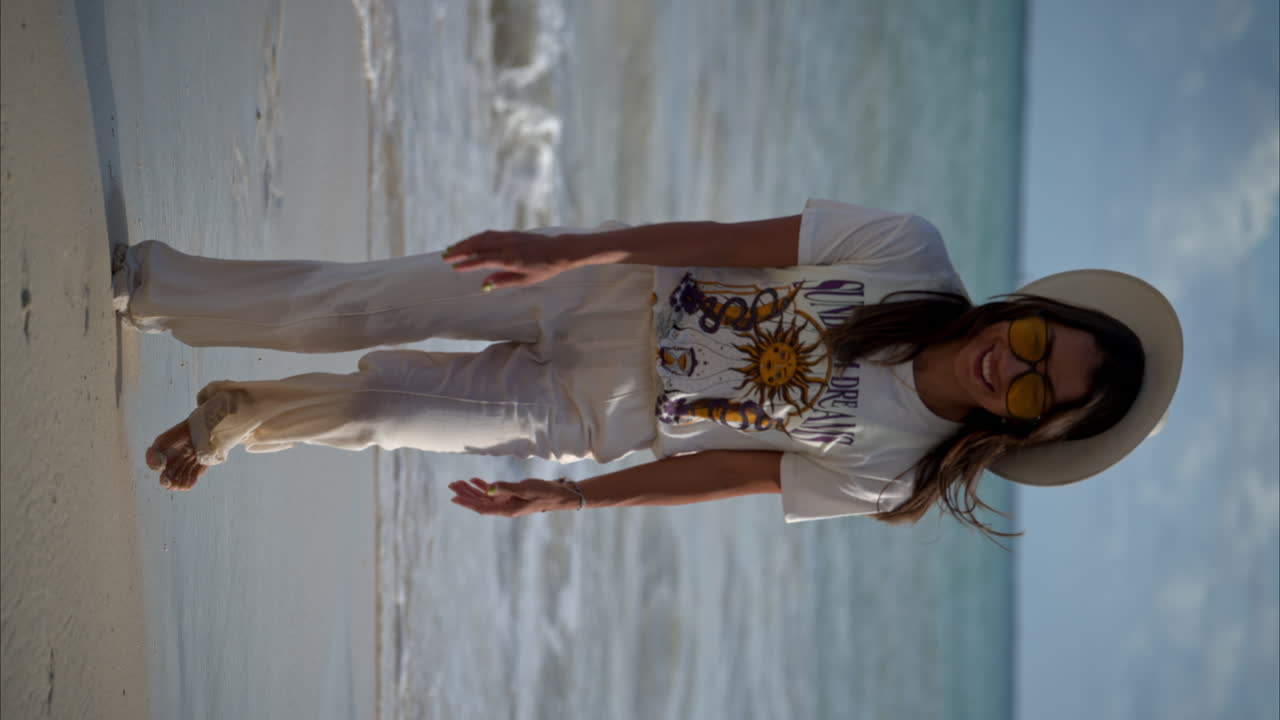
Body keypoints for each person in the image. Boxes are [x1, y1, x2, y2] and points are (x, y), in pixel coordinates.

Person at [116, 199, 1182, 537]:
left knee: (382, 405)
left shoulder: (898, 471)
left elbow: (728, 475)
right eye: (1039, 343)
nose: (1015, 368)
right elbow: (730, 235)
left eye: (1041, 390)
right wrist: (570, 250)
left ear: (1034, 426)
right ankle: (151, 287)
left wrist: (570, 495)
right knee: (354, 304)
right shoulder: (906, 253)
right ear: (1031, 312)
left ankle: (232, 420)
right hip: (590, 293)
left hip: (586, 411)